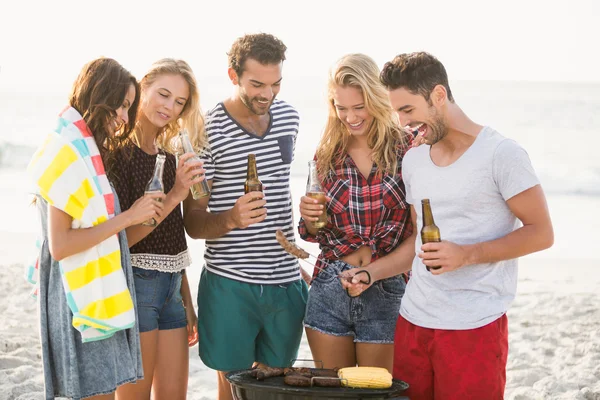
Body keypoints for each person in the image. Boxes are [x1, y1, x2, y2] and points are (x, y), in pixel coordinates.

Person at [343, 51, 554, 399]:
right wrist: (372, 274)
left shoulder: (502, 154)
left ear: (438, 96)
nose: (402, 122)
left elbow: (542, 233)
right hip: (413, 321)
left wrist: (467, 255)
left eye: (408, 110)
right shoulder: (414, 160)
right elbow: (416, 243)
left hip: (474, 327)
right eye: (397, 111)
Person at [27, 57, 165, 400]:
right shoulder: (68, 152)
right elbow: (60, 246)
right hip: (79, 298)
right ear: (98, 94)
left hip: (89, 290)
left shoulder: (84, 150)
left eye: (128, 107)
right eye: (120, 104)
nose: (123, 115)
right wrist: (128, 216)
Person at [183, 33, 310, 400]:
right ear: (232, 75)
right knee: (235, 388)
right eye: (256, 84)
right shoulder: (207, 129)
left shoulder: (288, 117)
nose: (267, 95)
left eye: (275, 84)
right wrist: (231, 219)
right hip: (230, 284)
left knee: (274, 390)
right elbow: (193, 220)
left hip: (285, 282)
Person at [297, 53, 413, 373]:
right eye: (341, 107)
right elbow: (315, 230)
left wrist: (371, 274)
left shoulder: (408, 148)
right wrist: (308, 215)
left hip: (388, 287)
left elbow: (418, 234)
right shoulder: (327, 153)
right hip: (330, 287)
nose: (350, 116)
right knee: (333, 394)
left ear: (376, 98)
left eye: (359, 106)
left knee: (378, 392)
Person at [112, 58, 206, 400]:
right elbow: (122, 240)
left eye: (179, 102)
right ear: (143, 87)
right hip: (135, 285)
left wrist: (186, 299)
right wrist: (178, 192)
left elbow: (172, 234)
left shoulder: (170, 155)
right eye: (163, 95)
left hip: (171, 289)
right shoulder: (117, 153)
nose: (170, 107)